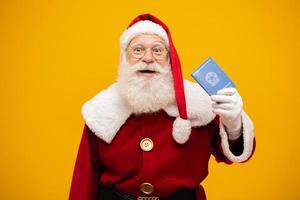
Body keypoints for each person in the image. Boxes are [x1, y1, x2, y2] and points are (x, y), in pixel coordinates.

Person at [69, 13, 255, 200]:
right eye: (138, 50)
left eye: (158, 50)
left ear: (170, 58)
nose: (148, 58)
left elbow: (233, 156)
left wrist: (234, 125)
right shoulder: (102, 109)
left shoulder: (199, 102)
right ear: (124, 57)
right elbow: (84, 180)